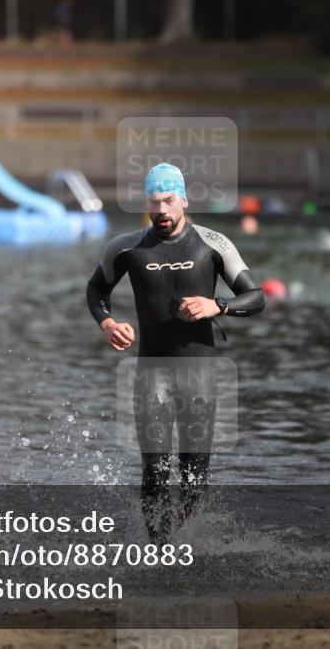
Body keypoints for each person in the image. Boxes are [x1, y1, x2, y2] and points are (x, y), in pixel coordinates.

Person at [86, 163, 265, 542]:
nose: (162, 210)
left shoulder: (213, 244)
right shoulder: (126, 248)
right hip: (152, 373)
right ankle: (159, 551)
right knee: (153, 469)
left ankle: (185, 543)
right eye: (154, 202)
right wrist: (108, 324)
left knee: (193, 476)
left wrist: (218, 305)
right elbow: (96, 291)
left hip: (199, 376)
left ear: (184, 199)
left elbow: (257, 297)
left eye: (169, 201)